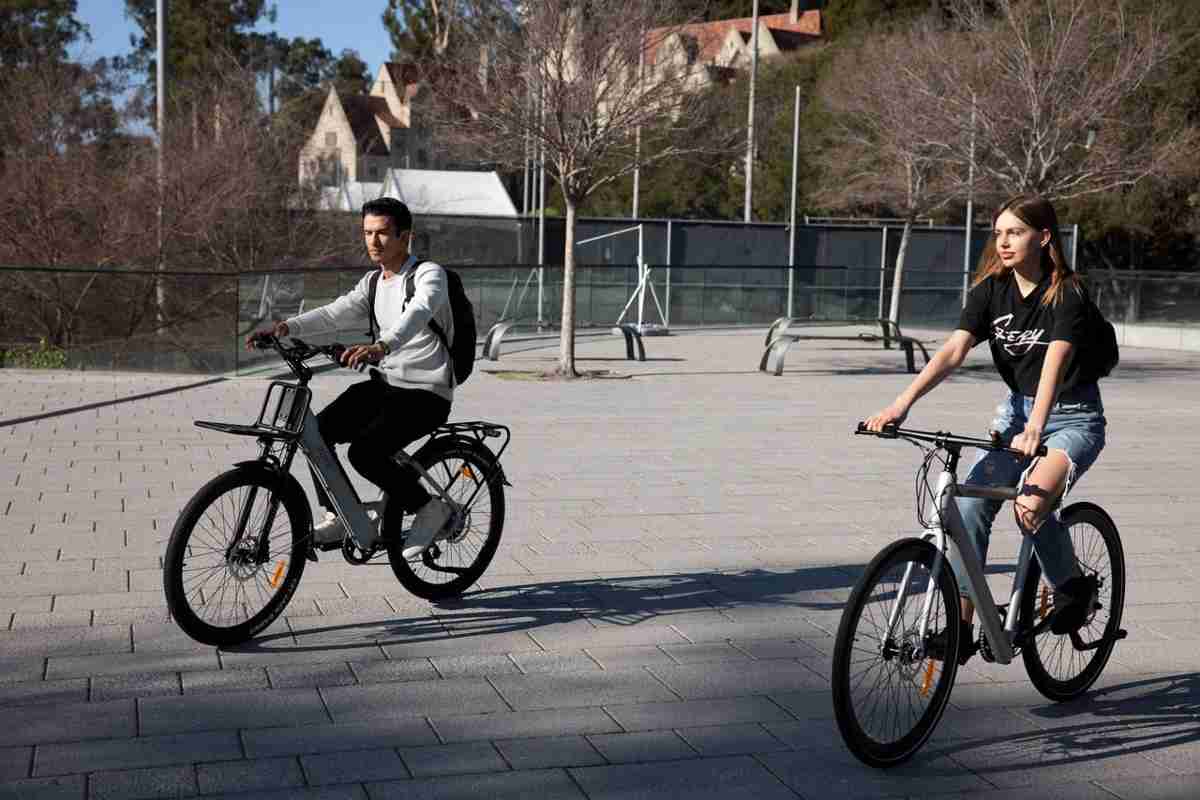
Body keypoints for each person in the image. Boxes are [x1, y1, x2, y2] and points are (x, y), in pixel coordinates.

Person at [864, 194, 1106, 664]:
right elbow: (953, 350)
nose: (1004, 241)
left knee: (1030, 506)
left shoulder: (1068, 291)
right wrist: (901, 404)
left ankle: (1071, 588)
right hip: (1015, 417)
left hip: (1073, 416)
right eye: (998, 233)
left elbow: (1056, 356)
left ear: (1044, 237)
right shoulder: (990, 291)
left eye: (1015, 232)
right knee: (970, 505)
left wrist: (1038, 425)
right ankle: (960, 624)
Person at [247, 197, 454, 560]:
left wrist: (382, 346)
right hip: (387, 386)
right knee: (317, 434)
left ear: (405, 236)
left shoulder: (427, 274)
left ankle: (428, 507)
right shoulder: (373, 283)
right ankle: (338, 514)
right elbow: (334, 314)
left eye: (383, 233)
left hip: (426, 392)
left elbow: (420, 311)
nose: (374, 242)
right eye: (367, 233)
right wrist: (284, 328)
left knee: (366, 452)